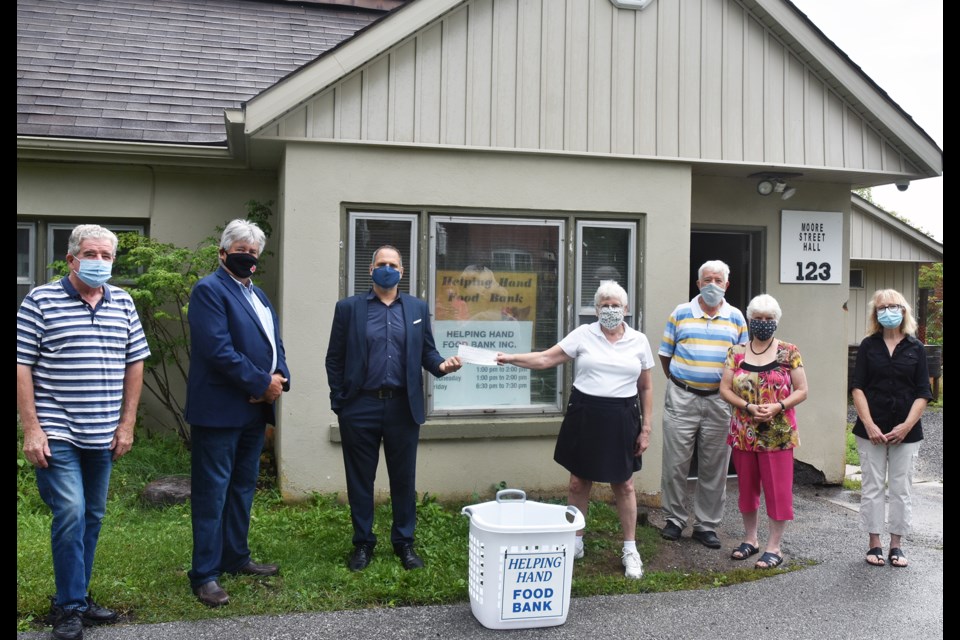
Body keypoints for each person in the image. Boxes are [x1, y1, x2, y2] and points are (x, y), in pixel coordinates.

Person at [17, 224, 150, 640]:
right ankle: (70, 606)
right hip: (58, 430)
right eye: (91, 254)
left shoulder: (123, 303)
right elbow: (21, 364)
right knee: (71, 511)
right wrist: (32, 429)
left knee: (92, 515)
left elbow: (135, 363)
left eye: (107, 256)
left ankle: (77, 595)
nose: (99, 262)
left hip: (103, 431)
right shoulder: (40, 300)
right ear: (72, 258)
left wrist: (127, 424)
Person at [496, 281, 654, 579]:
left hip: (622, 417)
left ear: (626, 309)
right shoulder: (584, 334)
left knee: (625, 484)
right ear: (596, 309)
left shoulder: (638, 340)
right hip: (586, 414)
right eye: (604, 305)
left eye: (615, 305)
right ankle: (576, 541)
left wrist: (646, 427)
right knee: (578, 483)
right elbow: (546, 358)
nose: (610, 310)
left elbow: (645, 387)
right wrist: (510, 358)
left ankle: (631, 548)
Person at [325, 245, 462, 571]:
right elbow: (334, 358)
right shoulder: (349, 309)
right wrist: (339, 401)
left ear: (402, 272)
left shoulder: (416, 307)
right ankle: (362, 544)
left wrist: (442, 366)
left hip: (402, 406)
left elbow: (427, 353)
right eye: (381, 263)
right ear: (371, 269)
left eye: (393, 264)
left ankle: (404, 543)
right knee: (360, 479)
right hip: (360, 407)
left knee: (403, 478)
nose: (387, 268)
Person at [185, 219, 291, 607]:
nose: (247, 257)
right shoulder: (209, 290)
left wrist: (281, 376)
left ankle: (235, 556)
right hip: (218, 410)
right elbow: (217, 349)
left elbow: (274, 343)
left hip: (253, 411)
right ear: (223, 252)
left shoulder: (258, 295)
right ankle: (205, 574)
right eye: (241, 251)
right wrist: (260, 383)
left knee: (242, 488)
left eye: (253, 253)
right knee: (212, 493)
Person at [658, 260, 748, 548]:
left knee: (715, 466)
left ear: (726, 285)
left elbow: (744, 362)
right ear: (697, 284)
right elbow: (665, 355)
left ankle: (706, 525)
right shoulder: (681, 313)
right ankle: (674, 520)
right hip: (682, 397)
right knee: (675, 463)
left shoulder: (736, 318)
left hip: (719, 402)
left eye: (718, 280)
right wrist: (680, 381)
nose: (712, 285)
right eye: (706, 280)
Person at [719, 294, 808, 569]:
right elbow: (724, 389)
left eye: (769, 319)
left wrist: (779, 406)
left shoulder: (788, 351)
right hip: (743, 431)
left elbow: (802, 390)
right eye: (758, 318)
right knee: (746, 489)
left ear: (776, 321)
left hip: (778, 434)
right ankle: (750, 539)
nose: (763, 323)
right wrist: (746, 405)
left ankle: (775, 546)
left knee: (777, 490)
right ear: (750, 320)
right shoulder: (737, 352)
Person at [851, 289, 932, 568]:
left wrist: (906, 426)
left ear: (904, 310)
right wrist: (869, 424)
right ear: (876, 313)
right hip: (870, 431)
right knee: (872, 486)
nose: (888, 311)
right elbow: (857, 387)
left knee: (901, 488)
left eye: (894, 306)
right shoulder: (868, 346)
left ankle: (896, 545)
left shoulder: (916, 348)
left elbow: (923, 392)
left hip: (906, 432)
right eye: (883, 307)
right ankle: (874, 543)